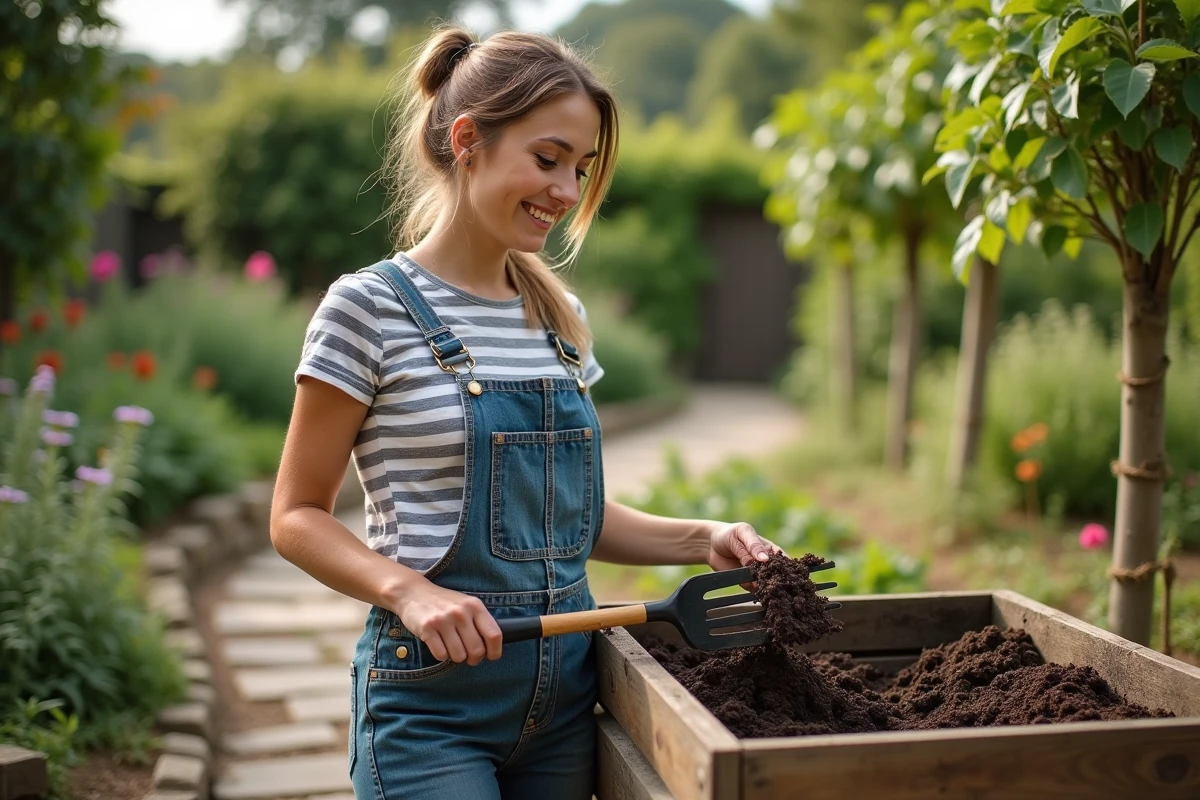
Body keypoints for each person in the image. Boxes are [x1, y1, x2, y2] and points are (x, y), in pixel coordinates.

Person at [271, 26, 784, 800]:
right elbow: (295, 515)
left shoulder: (560, 316)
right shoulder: (367, 309)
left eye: (579, 169)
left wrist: (703, 538)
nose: (568, 193)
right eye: (547, 160)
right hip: (429, 707)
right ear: (468, 140)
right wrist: (408, 590)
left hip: (567, 702)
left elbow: (565, 517)